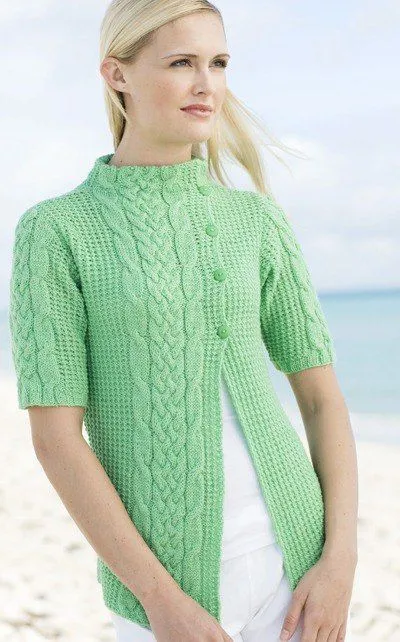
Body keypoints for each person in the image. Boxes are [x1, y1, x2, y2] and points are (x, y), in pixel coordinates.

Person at [8, 1, 358, 641]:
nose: (207, 84)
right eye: (181, 63)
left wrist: (340, 562)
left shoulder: (256, 221)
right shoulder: (57, 232)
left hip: (297, 571)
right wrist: (159, 601)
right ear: (117, 74)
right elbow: (56, 438)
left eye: (218, 63)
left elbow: (321, 399)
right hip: (164, 595)